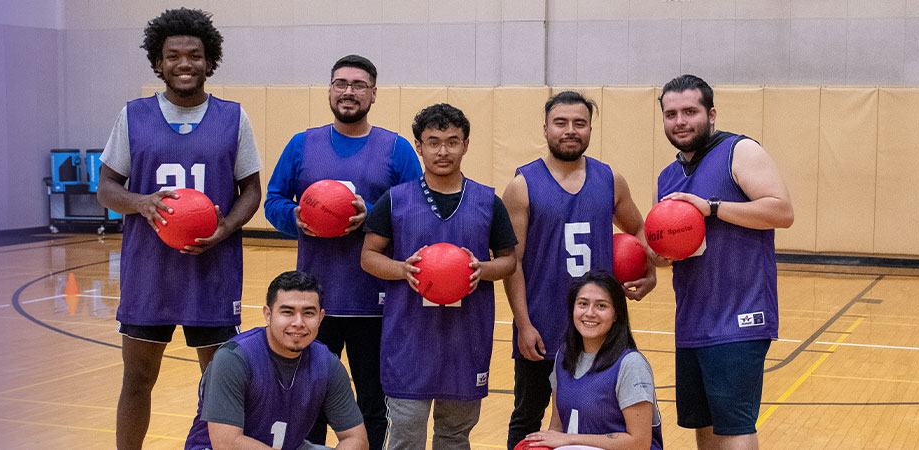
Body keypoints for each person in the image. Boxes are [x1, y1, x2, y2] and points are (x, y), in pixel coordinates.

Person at [96, 8, 264, 450]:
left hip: (213, 270)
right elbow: (107, 189)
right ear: (158, 63)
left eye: (195, 55)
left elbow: (251, 190)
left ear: (210, 63)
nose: (185, 64)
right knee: (137, 381)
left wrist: (226, 226)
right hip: (148, 271)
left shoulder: (233, 118)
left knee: (220, 388)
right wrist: (142, 203)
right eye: (174, 56)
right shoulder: (133, 116)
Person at [262, 54, 420, 450]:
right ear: (330, 90)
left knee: (372, 399)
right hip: (314, 302)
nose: (349, 91)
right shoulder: (301, 144)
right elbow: (273, 201)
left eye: (359, 85)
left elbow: (416, 211)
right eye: (341, 83)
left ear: (373, 94)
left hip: (376, 301)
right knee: (308, 397)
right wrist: (295, 217)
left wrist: (374, 218)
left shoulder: (397, 149)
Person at [501, 91, 658, 449]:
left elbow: (638, 229)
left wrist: (649, 271)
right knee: (527, 415)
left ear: (589, 129)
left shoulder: (610, 180)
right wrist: (524, 324)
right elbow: (514, 265)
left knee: (606, 414)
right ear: (545, 128)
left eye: (579, 123)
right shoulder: (522, 186)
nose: (570, 130)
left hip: (601, 324)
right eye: (561, 123)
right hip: (542, 326)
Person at [357, 103, 517, 450]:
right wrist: (402, 269)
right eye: (433, 142)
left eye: (452, 141)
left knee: (454, 437)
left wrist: (482, 270)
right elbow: (368, 257)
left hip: (465, 338)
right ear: (419, 146)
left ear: (466, 144)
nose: (443, 151)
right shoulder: (395, 200)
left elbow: (509, 261)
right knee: (406, 435)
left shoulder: (488, 202)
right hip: (409, 339)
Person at [650, 74, 794, 450]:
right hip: (693, 320)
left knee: (734, 428)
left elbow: (781, 211)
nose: (680, 121)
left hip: (740, 319)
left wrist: (711, 208)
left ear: (711, 114)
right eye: (671, 114)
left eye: (690, 111)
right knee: (707, 429)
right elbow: (676, 251)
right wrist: (657, 258)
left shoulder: (740, 151)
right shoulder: (667, 177)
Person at [186, 271, 369, 450]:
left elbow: (356, 439)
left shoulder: (327, 364)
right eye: (288, 312)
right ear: (268, 314)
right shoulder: (234, 358)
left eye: (308, 313)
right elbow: (227, 443)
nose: (298, 322)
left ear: (320, 318)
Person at [519, 273, 663, 450]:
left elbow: (639, 442)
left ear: (616, 314)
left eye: (601, 306)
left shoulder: (631, 364)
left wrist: (571, 440)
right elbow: (557, 428)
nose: (590, 313)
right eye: (583, 304)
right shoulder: (564, 355)